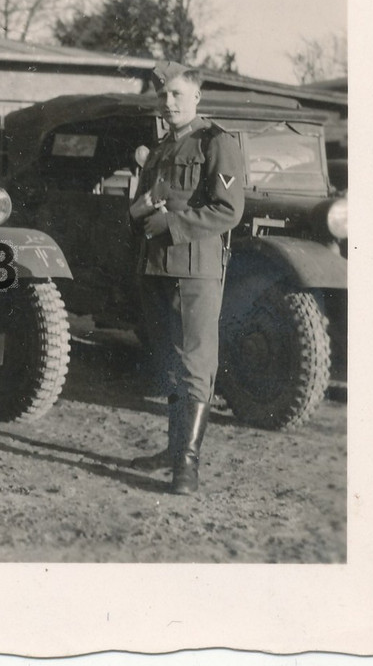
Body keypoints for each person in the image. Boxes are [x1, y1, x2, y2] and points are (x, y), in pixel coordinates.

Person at [129, 61, 245, 494]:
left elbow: (228, 210)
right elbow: (146, 200)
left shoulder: (216, 141)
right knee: (169, 363)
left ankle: (187, 467)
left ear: (197, 97)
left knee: (196, 363)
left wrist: (172, 227)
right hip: (155, 268)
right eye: (163, 95)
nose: (168, 102)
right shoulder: (160, 149)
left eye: (177, 94)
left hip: (195, 270)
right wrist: (139, 212)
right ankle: (174, 448)